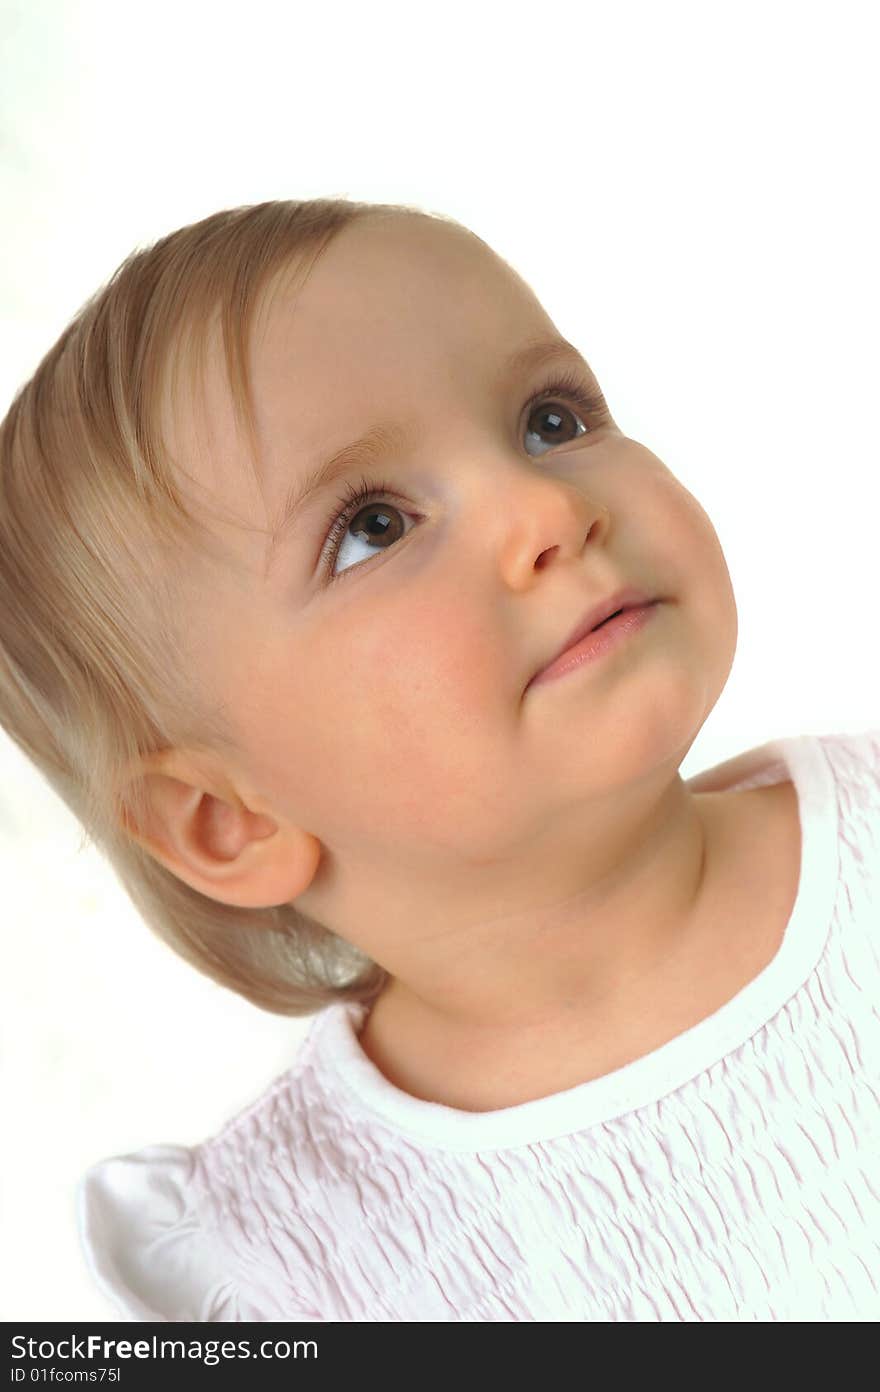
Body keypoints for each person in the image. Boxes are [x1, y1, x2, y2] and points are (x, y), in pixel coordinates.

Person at [1, 198, 877, 1322]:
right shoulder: (290, 1265)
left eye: (550, 421)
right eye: (373, 525)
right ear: (230, 818)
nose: (545, 507)